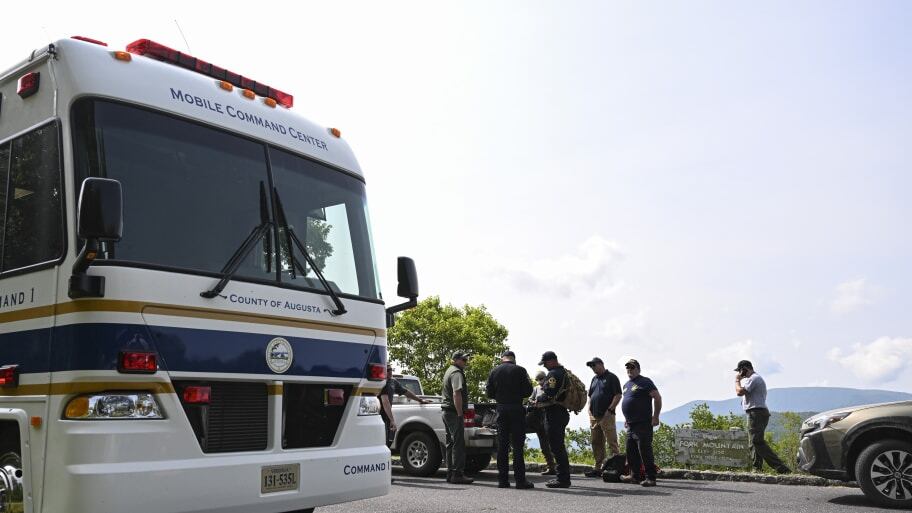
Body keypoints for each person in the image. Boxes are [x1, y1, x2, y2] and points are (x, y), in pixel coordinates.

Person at [485, 350, 535, 489]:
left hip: (501, 409)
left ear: (502, 359)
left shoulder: (494, 371)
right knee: (518, 446)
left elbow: (489, 393)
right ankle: (520, 480)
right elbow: (528, 391)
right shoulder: (520, 370)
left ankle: (503, 480)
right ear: (514, 359)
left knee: (502, 446)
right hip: (516, 409)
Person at [734, 360, 791, 474]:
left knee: (757, 441)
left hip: (757, 413)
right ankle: (757, 468)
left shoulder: (754, 378)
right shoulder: (753, 379)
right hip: (755, 412)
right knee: (753, 442)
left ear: (745, 368)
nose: (740, 374)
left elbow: (739, 392)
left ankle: (781, 468)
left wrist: (737, 380)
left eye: (740, 371)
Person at [620, 359, 662, 487]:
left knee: (645, 451)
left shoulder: (645, 382)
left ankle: (651, 478)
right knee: (631, 451)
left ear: (638, 369)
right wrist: (627, 418)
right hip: (631, 424)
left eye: (632, 368)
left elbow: (657, 397)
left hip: (643, 423)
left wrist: (655, 416)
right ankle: (634, 476)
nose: (629, 370)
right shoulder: (626, 385)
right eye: (628, 368)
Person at [584, 356, 623, 478]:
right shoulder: (594, 379)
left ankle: (617, 468)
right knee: (596, 442)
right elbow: (591, 396)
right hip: (594, 416)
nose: (592, 368)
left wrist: (610, 410)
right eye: (591, 366)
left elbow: (618, 395)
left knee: (612, 442)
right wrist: (589, 411)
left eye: (594, 365)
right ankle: (598, 468)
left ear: (601, 364)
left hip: (607, 415)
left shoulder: (611, 377)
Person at [538, 351, 572, 488]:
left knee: (557, 447)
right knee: (559, 446)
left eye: (545, 363)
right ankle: (563, 477)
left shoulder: (553, 374)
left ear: (552, 361)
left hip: (554, 414)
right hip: (561, 412)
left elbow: (550, 393)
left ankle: (562, 479)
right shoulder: (564, 372)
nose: (545, 366)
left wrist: (538, 399)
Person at [441, 351, 474, 484]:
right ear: (456, 360)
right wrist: (460, 413)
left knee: (450, 443)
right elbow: (456, 393)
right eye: (464, 360)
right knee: (458, 443)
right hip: (453, 412)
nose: (466, 362)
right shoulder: (456, 373)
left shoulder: (449, 370)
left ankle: (450, 473)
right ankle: (457, 474)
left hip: (446, 411)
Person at [380, 363, 431, 447]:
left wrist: (420, 400)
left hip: (388, 417)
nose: (390, 372)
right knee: (383, 442)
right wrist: (392, 420)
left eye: (391, 369)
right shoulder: (382, 383)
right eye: (387, 370)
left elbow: (406, 392)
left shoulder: (393, 382)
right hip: (380, 417)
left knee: (389, 441)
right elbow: (385, 402)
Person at [529, 371, 557, 475]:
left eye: (541, 379)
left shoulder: (549, 387)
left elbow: (551, 400)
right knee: (544, 445)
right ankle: (551, 467)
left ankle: (559, 466)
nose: (539, 381)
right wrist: (533, 402)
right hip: (538, 419)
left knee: (554, 444)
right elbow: (531, 399)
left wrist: (542, 402)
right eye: (538, 379)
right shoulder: (536, 389)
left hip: (549, 418)